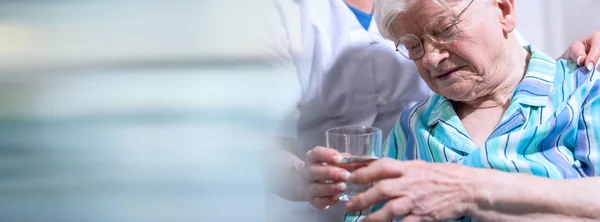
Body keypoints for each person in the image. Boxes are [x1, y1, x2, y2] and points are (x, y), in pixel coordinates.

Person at [300, 0, 600, 221]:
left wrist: (468, 190)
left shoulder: (583, 89)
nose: (430, 58)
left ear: (504, 11)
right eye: (413, 47)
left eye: (445, 29)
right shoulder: (412, 127)